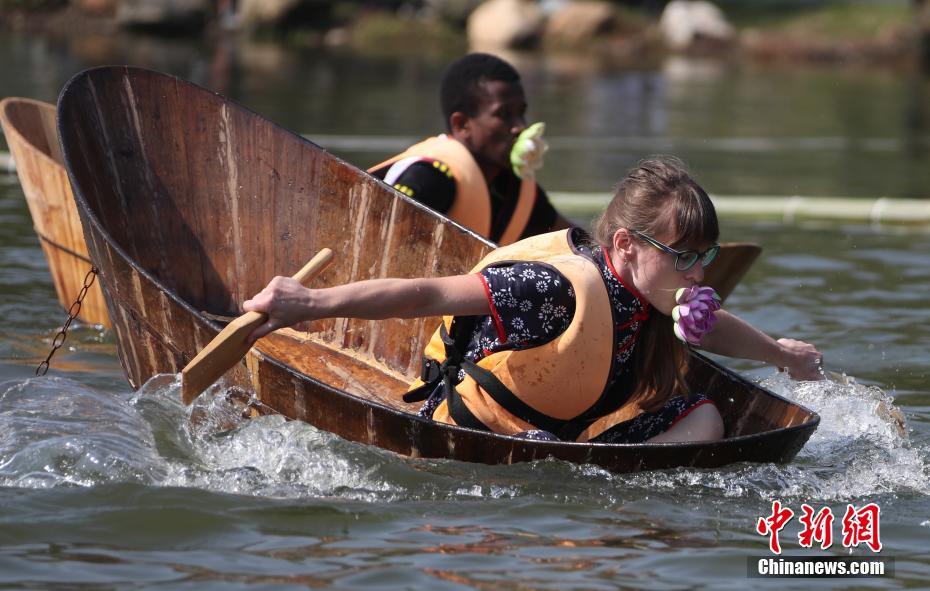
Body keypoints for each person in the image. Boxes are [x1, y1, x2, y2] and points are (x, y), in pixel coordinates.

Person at [244, 157, 823, 444]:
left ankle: (625, 488)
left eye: (706, 257)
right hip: (482, 434)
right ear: (624, 245)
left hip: (572, 444)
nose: (698, 273)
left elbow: (713, 328)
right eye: (683, 255)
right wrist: (310, 302)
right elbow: (426, 293)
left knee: (706, 416)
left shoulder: (653, 289)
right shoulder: (553, 290)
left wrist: (783, 356)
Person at [368, 52, 572, 246]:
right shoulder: (429, 177)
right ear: (462, 124)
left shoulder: (516, 190)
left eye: (521, 113)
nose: (520, 126)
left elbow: (577, 245)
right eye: (504, 114)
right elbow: (376, 237)